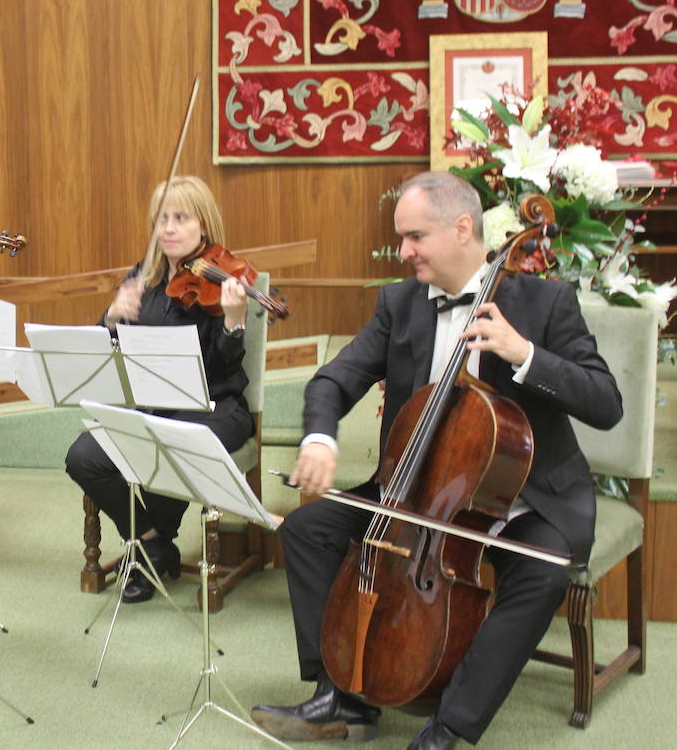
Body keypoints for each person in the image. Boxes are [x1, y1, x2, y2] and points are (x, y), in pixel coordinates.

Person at [251, 172, 623, 750]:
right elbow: (335, 378)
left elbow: (606, 404)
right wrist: (319, 439)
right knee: (308, 529)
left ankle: (449, 728)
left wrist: (525, 355)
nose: (404, 252)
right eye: (401, 239)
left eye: (415, 237)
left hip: (529, 497)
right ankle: (341, 697)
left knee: (542, 571)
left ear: (462, 228)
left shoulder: (545, 302)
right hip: (419, 491)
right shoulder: (400, 304)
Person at [64, 175, 255, 603]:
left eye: (180, 218)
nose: (167, 228)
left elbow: (225, 365)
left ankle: (149, 554)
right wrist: (110, 317)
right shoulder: (143, 276)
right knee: (83, 457)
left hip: (215, 406)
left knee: (171, 442)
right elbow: (106, 351)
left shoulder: (222, 279)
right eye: (161, 219)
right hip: (151, 406)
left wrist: (233, 320)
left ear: (203, 226)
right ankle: (151, 540)